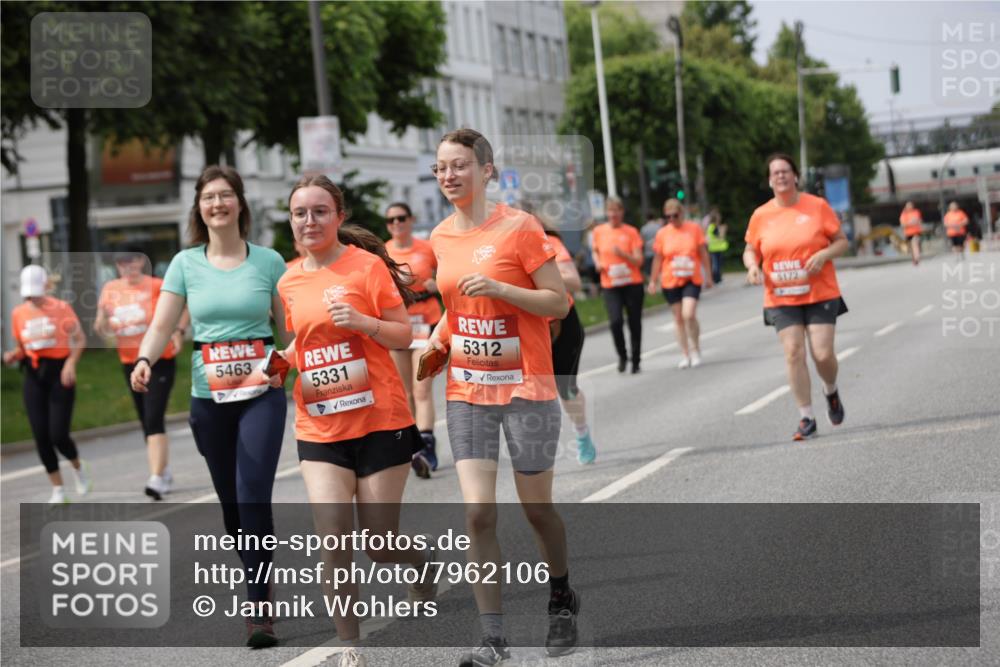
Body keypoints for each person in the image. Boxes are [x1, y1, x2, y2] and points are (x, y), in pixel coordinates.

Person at [424, 128, 579, 666]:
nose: (449, 175)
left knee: (538, 512)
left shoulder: (520, 228)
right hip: (467, 392)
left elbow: (557, 303)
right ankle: (493, 639)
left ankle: (560, 594)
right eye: (441, 167)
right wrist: (438, 342)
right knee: (477, 514)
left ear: (486, 170)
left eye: (459, 165)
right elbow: (454, 308)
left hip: (527, 388)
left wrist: (501, 290)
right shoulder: (440, 237)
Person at [272, 175, 435, 667]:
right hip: (319, 426)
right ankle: (351, 645)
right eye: (300, 213)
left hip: (381, 420)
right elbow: (307, 340)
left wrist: (364, 323)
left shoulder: (366, 267)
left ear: (339, 217)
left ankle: (419, 566)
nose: (309, 221)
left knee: (379, 544)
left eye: (320, 211)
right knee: (333, 534)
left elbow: (403, 333)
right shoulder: (288, 279)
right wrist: (280, 362)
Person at [131, 165, 290, 649]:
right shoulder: (184, 263)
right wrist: (144, 357)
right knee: (231, 509)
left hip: (262, 393)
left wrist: (289, 368)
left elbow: (289, 333)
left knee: (252, 494)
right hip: (209, 399)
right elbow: (163, 324)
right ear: (199, 209)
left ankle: (258, 606)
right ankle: (257, 576)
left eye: (225, 196)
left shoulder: (268, 262)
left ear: (240, 204)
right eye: (208, 198)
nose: (217, 204)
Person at [744, 153, 849, 441]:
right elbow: (750, 248)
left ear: (795, 176)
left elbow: (841, 242)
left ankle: (830, 390)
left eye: (785, 171)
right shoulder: (761, 215)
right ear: (769, 180)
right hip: (780, 296)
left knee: (823, 354)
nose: (780, 176)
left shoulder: (816, 207)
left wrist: (823, 254)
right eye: (775, 172)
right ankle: (807, 417)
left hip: (819, 291)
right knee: (793, 353)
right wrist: (753, 266)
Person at [95, 248, 188, 500]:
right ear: (116, 266)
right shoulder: (110, 289)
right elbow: (101, 325)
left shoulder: (157, 285)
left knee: (154, 415)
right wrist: (105, 323)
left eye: (133, 260)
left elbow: (184, 306)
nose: (129, 266)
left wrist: (178, 331)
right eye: (122, 262)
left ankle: (156, 478)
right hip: (129, 362)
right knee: (145, 420)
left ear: (141, 262)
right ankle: (164, 471)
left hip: (159, 360)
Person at [4, 265, 91, 504]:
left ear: (46, 286)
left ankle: (78, 467)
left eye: (37, 291)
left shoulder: (61, 309)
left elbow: (80, 338)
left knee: (58, 435)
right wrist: (14, 355)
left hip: (60, 373)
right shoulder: (18, 313)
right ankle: (58, 490)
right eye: (29, 293)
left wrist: (71, 363)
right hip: (34, 375)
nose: (33, 297)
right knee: (41, 436)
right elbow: (23, 347)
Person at [383, 201, 442, 478]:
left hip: (426, 323)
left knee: (422, 389)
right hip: (399, 325)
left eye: (401, 218)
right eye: (391, 220)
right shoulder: (383, 252)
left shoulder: (426, 248)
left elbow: (447, 277)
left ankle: (427, 443)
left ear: (411, 219)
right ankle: (413, 444)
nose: (396, 224)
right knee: (404, 392)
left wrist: (437, 284)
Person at [544, 225, 598, 465]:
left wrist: (541, 276)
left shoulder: (550, 243)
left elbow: (574, 282)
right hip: (529, 329)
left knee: (565, 387)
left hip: (562, 325)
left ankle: (582, 433)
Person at [648, 199, 714, 368]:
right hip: (670, 280)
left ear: (681, 213)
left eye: (675, 215)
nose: (671, 219)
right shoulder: (662, 233)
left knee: (689, 314)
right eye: (668, 216)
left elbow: (703, 253)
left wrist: (709, 276)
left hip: (691, 278)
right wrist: (653, 281)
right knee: (678, 318)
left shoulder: (694, 229)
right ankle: (685, 353)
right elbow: (658, 258)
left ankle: (696, 349)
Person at [591, 197, 645, 373]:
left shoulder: (631, 232)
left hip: (632, 283)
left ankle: (636, 360)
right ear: (606, 213)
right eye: (611, 210)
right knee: (615, 321)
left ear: (622, 212)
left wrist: (623, 255)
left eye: (617, 210)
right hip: (610, 284)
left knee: (634, 322)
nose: (614, 214)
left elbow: (639, 261)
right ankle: (622, 356)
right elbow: (595, 251)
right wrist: (597, 262)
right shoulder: (599, 231)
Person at [705, 207, 729, 283]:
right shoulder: (714, 227)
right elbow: (720, 236)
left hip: (713, 248)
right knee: (716, 264)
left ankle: (717, 277)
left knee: (716, 264)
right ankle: (716, 278)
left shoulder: (710, 227)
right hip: (716, 248)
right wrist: (723, 230)